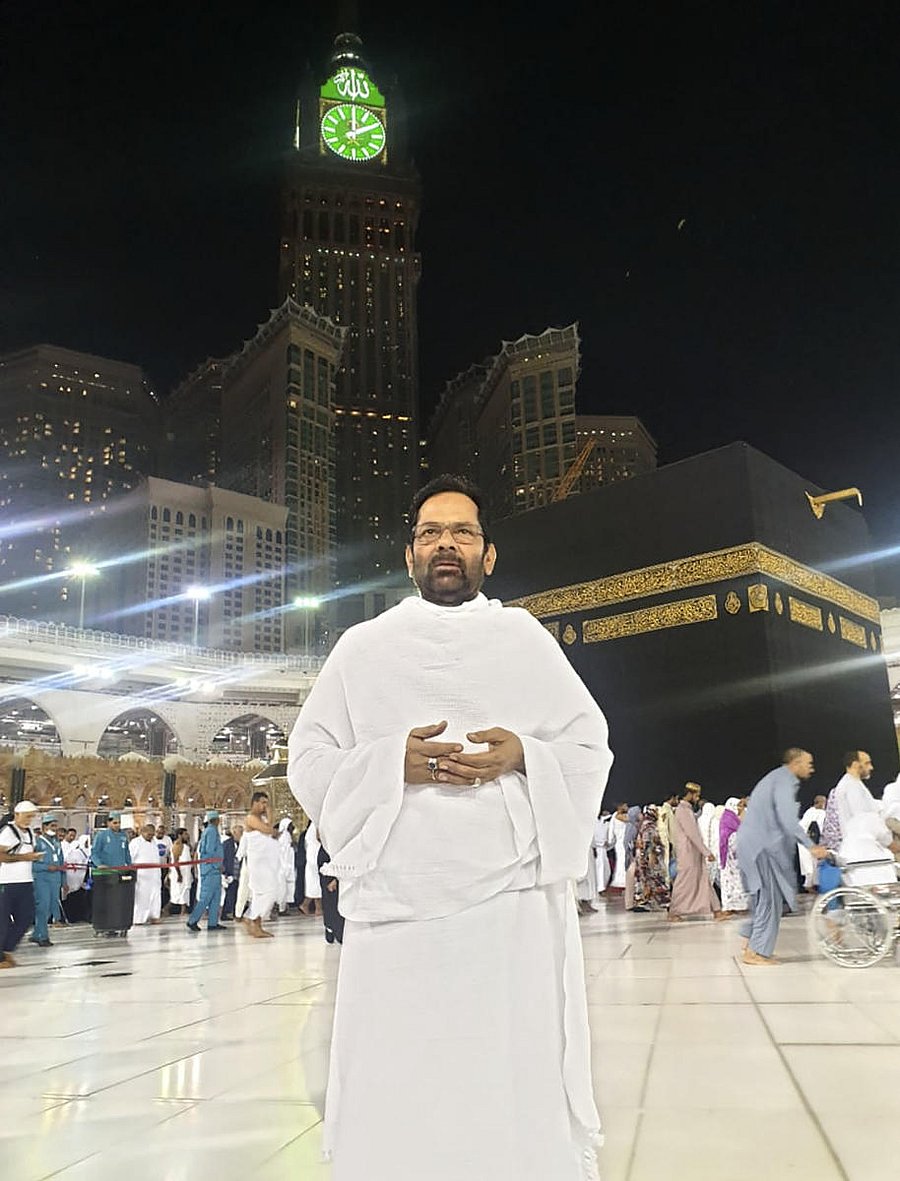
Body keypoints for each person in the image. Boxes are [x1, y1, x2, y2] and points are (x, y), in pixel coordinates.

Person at [287, 474, 613, 1181]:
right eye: (431, 532)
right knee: (402, 1088)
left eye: (462, 532)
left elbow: (589, 745)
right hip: (396, 918)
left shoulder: (523, 640)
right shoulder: (362, 648)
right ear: (409, 555)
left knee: (504, 1082)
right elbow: (307, 759)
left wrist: (526, 753)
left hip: (509, 916)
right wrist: (386, 764)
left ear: (487, 554)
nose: (446, 544)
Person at [735, 749, 828, 965]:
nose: (811, 768)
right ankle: (756, 952)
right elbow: (787, 819)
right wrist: (810, 846)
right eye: (808, 763)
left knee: (762, 898)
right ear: (795, 763)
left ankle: (751, 942)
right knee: (770, 897)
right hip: (763, 846)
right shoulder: (785, 781)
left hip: (754, 845)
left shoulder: (775, 778)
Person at [668, 783, 726, 921]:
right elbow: (692, 834)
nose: (697, 798)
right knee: (684, 881)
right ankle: (673, 911)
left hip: (693, 852)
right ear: (689, 794)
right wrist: (706, 852)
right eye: (696, 795)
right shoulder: (683, 810)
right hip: (687, 853)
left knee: (703, 879)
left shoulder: (687, 810)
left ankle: (716, 910)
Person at [0, 801, 45, 967]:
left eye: (31, 817)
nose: (29, 820)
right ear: (17, 815)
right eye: (26, 816)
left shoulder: (30, 833)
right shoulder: (8, 832)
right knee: (2, 921)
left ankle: (6, 950)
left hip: (25, 882)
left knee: (26, 917)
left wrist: (32, 857)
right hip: (6, 882)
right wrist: (24, 858)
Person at [242, 791, 280, 938]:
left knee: (264, 893)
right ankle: (252, 918)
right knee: (268, 891)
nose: (265, 806)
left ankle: (255, 923)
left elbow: (270, 829)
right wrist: (272, 827)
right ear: (255, 802)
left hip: (265, 862)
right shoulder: (251, 818)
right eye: (263, 803)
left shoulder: (261, 818)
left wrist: (269, 816)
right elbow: (268, 830)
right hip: (257, 863)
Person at [186, 810, 225, 932]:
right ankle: (192, 920)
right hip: (211, 869)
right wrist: (216, 865)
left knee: (215, 897)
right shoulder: (211, 831)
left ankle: (213, 923)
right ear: (215, 819)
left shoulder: (210, 831)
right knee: (206, 897)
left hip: (213, 869)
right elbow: (208, 851)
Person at [31, 815, 65, 947]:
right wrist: (46, 867)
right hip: (42, 880)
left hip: (55, 880)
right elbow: (31, 863)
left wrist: (64, 880)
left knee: (51, 908)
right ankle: (43, 936)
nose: (55, 829)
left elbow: (61, 863)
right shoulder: (37, 843)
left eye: (56, 826)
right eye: (52, 826)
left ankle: (36, 934)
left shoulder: (57, 843)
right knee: (43, 908)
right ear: (44, 827)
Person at [840, 813, 897, 886]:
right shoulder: (875, 819)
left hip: (848, 858)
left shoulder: (850, 828)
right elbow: (891, 845)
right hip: (870, 860)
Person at [632, 806, 670, 911]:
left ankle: (644, 901)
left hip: (644, 857)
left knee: (645, 879)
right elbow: (648, 842)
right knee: (656, 878)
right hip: (649, 857)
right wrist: (652, 856)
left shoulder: (646, 824)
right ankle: (664, 902)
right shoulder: (649, 826)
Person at [718, 798, 749, 913]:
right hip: (730, 857)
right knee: (730, 882)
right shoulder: (728, 818)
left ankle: (739, 906)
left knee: (737, 881)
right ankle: (729, 907)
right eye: (738, 806)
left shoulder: (733, 818)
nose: (740, 808)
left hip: (736, 858)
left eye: (741, 806)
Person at [128, 823, 162, 925]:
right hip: (142, 876)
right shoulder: (135, 843)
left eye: (152, 834)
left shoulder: (154, 843)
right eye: (149, 834)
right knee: (141, 897)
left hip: (155, 875)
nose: (151, 836)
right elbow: (130, 858)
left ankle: (154, 917)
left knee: (155, 896)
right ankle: (138, 919)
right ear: (142, 832)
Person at [318, 841, 345, 944]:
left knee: (335, 900)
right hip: (329, 858)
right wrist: (332, 878)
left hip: (337, 855)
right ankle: (331, 928)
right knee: (331, 899)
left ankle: (334, 929)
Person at [62, 834, 91, 923]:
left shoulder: (89, 851)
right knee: (72, 896)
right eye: (85, 842)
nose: (87, 844)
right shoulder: (75, 852)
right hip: (74, 878)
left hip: (84, 877)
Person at [220, 824, 243, 920]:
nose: (241, 835)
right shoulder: (226, 844)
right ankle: (226, 913)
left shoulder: (242, 843)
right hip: (229, 873)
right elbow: (222, 858)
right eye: (240, 833)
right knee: (230, 893)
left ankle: (234, 912)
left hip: (240, 873)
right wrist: (224, 871)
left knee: (237, 893)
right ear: (234, 833)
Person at [168, 828, 192, 915]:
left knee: (185, 892)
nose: (187, 836)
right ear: (179, 835)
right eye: (185, 834)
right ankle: (166, 910)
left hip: (186, 873)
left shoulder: (186, 846)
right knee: (178, 894)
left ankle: (183, 911)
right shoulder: (177, 845)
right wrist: (179, 874)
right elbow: (175, 861)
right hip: (179, 873)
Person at [622, 805, 642, 911]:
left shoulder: (634, 825)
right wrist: (632, 854)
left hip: (633, 857)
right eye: (639, 813)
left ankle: (632, 903)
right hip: (632, 858)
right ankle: (630, 904)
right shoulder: (632, 827)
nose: (641, 815)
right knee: (631, 880)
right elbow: (627, 842)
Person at [657, 791, 679, 882]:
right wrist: (667, 843)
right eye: (676, 798)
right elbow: (663, 829)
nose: (677, 801)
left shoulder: (669, 810)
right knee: (666, 866)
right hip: (667, 844)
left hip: (671, 844)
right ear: (672, 798)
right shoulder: (665, 811)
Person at [277, 818, 297, 914]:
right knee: (282, 889)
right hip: (283, 867)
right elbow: (284, 854)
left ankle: (283, 908)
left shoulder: (287, 836)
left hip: (286, 867)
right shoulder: (285, 836)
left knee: (285, 889)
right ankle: (281, 909)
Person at [608, 802, 629, 889]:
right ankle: (621, 880)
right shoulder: (618, 816)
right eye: (625, 805)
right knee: (622, 860)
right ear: (620, 806)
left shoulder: (617, 816)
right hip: (620, 842)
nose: (627, 807)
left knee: (624, 860)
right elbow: (628, 819)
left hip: (624, 841)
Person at [303, 820, 323, 915]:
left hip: (312, 855)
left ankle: (308, 905)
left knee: (314, 882)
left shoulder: (311, 827)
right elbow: (319, 838)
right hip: (315, 856)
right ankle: (318, 908)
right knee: (316, 882)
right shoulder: (316, 824)